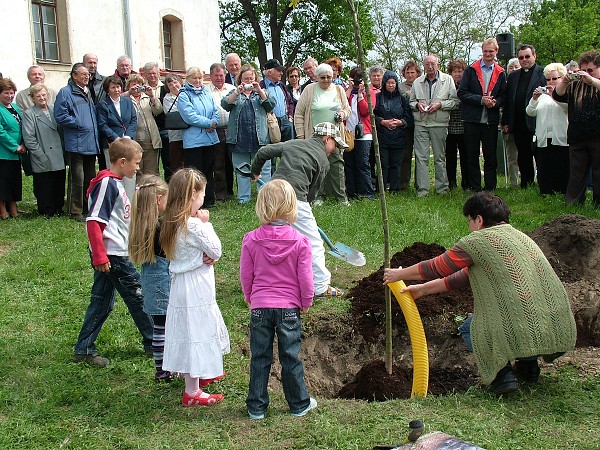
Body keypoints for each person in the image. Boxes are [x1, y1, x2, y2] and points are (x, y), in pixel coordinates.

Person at [383, 191, 577, 395]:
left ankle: (502, 376)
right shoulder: (520, 237)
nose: (469, 226)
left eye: (469, 220)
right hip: (553, 319)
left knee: (470, 328)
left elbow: (438, 267)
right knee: (523, 317)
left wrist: (400, 273)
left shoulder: (478, 241)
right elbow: (463, 276)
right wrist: (422, 290)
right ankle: (529, 367)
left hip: (521, 322)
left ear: (479, 219)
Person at [73, 138, 154, 368]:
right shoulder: (107, 184)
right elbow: (94, 222)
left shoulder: (115, 183)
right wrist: (100, 256)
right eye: (136, 163)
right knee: (138, 296)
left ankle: (84, 348)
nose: (138, 167)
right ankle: (155, 342)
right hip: (112, 255)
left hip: (113, 253)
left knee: (102, 302)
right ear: (122, 161)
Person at [241, 179, 317, 420]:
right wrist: (306, 301)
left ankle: (256, 407)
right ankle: (298, 404)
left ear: (262, 206)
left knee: (260, 357)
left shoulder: (251, 239)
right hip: (289, 309)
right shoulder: (300, 241)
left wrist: (249, 297)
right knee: (290, 357)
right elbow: (305, 277)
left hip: (260, 306)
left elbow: (246, 274)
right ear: (291, 206)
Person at [251, 122, 347, 298]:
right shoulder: (323, 161)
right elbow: (313, 192)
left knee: (274, 236)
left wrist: (255, 172)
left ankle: (268, 279)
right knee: (314, 243)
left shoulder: (292, 143)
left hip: (270, 196)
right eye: (335, 144)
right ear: (327, 139)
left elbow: (263, 152)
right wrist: (304, 208)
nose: (334, 150)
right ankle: (320, 287)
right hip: (295, 199)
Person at [160, 168, 229, 407]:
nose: (203, 200)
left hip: (180, 286)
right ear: (192, 196)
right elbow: (216, 249)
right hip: (197, 286)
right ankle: (193, 390)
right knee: (198, 331)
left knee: (189, 332)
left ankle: (196, 380)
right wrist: (206, 224)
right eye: (202, 195)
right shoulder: (195, 226)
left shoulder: (171, 222)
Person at [128, 174, 173, 383]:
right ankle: (163, 371)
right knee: (164, 328)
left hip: (150, 279)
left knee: (159, 326)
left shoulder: (143, 224)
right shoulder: (160, 227)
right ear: (158, 199)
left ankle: (161, 368)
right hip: (162, 281)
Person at [294, 63, 350, 205]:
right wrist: (301, 135)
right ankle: (318, 196)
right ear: (317, 77)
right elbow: (299, 113)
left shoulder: (339, 90)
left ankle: (341, 197)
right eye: (323, 77)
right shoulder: (309, 89)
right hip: (314, 136)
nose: (326, 80)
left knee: (337, 166)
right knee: (316, 166)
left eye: (329, 77)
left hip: (334, 136)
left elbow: (347, 109)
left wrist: (342, 114)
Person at [458, 38, 507, 191]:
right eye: (485, 51)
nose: (488, 54)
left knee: (490, 156)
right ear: (482, 51)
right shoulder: (471, 70)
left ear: (496, 52)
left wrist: (495, 103)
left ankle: (490, 187)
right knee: (472, 155)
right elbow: (462, 93)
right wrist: (481, 100)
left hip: (490, 120)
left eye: (491, 51)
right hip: (472, 119)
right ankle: (475, 187)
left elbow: (504, 95)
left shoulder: (500, 72)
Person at [553, 50, 600, 207]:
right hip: (577, 136)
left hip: (597, 135)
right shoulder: (575, 86)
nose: (586, 73)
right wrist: (566, 81)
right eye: (583, 70)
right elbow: (557, 95)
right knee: (576, 173)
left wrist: (592, 80)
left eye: (590, 70)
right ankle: (573, 203)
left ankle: (598, 203)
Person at [222, 64, 274, 204]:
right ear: (240, 80)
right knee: (241, 170)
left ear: (256, 79)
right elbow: (225, 104)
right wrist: (237, 92)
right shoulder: (235, 92)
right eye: (245, 79)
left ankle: (264, 199)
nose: (249, 81)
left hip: (260, 139)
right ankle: (243, 199)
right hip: (239, 139)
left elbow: (270, 106)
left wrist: (259, 91)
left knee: (264, 169)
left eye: (251, 78)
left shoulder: (262, 92)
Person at [54, 63, 100, 222]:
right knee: (77, 178)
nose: (87, 77)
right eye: (83, 74)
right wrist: (78, 123)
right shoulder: (65, 92)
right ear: (74, 76)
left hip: (90, 142)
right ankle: (75, 211)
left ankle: (88, 208)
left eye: (88, 74)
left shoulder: (87, 92)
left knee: (89, 178)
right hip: (76, 142)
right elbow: (60, 116)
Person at [410, 54, 458, 197]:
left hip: (439, 123)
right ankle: (422, 191)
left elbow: (455, 102)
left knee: (439, 157)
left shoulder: (447, 80)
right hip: (421, 123)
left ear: (438, 64)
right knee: (421, 157)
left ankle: (441, 189)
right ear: (423, 66)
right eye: (427, 64)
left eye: (433, 64)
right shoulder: (417, 82)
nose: (430, 67)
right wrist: (418, 105)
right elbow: (410, 103)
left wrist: (440, 105)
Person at [502, 44, 546, 189]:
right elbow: (508, 100)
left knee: (539, 155)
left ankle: (543, 183)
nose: (524, 60)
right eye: (521, 57)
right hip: (519, 123)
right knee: (523, 155)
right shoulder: (513, 76)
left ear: (534, 56)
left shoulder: (543, 73)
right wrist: (506, 121)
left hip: (537, 121)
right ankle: (526, 183)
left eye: (527, 56)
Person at [178, 67, 220, 209]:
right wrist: (208, 123)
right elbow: (190, 116)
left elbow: (215, 110)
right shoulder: (184, 95)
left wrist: (214, 122)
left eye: (200, 78)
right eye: (194, 78)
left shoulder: (207, 93)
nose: (197, 81)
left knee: (209, 170)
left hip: (209, 138)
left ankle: (209, 199)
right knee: (195, 173)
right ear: (187, 79)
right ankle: (195, 202)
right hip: (194, 141)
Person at [21, 83, 66, 217]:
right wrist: (40, 155)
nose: (42, 98)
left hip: (58, 153)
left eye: (44, 94)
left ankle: (58, 208)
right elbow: (29, 138)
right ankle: (47, 210)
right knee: (44, 184)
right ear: (33, 98)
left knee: (58, 182)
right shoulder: (30, 114)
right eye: (38, 96)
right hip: (42, 154)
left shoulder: (54, 109)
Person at [525, 63, 570, 195]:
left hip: (562, 137)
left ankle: (563, 191)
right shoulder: (542, 96)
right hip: (543, 138)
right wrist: (534, 99)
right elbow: (530, 112)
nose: (551, 81)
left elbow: (568, 108)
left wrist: (554, 96)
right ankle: (546, 191)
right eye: (548, 79)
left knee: (562, 166)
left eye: (555, 78)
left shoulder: (567, 93)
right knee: (545, 166)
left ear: (562, 78)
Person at [373, 70, 413, 192]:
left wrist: (400, 122)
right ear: (384, 83)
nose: (391, 85)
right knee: (383, 164)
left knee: (396, 164)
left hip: (399, 136)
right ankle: (381, 188)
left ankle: (395, 189)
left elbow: (408, 116)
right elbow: (373, 115)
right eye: (388, 83)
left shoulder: (402, 99)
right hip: (383, 136)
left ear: (396, 84)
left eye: (393, 83)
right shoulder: (378, 98)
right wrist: (383, 122)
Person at [344, 67, 376, 200]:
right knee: (349, 164)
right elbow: (342, 105)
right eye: (355, 79)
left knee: (362, 163)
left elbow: (365, 111)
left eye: (359, 79)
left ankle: (367, 194)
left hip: (364, 133)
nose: (357, 82)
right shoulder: (347, 92)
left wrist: (361, 93)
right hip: (348, 132)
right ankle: (352, 192)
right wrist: (350, 89)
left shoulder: (370, 92)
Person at [96, 75, 137, 170]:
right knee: (114, 171)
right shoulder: (103, 105)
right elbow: (103, 125)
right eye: (113, 87)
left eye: (118, 87)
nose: (116, 90)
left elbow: (133, 120)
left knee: (129, 170)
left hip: (128, 142)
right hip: (112, 143)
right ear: (108, 89)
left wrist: (127, 136)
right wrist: (116, 138)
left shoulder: (128, 101)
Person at [208, 63, 235, 201]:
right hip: (215, 130)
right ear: (211, 76)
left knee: (231, 161)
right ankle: (221, 194)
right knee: (218, 163)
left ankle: (230, 191)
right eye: (216, 75)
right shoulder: (206, 91)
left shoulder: (232, 89)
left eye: (221, 75)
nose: (219, 78)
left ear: (225, 75)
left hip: (231, 129)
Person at [126, 74, 163, 176]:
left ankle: (151, 191)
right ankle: (138, 191)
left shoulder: (147, 97)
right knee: (136, 171)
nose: (137, 88)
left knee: (151, 171)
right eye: (134, 85)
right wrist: (129, 93)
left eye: (139, 85)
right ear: (129, 86)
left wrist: (152, 96)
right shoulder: (125, 98)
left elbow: (158, 111)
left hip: (150, 139)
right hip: (134, 140)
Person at [0, 78, 25, 219]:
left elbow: (21, 127)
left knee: (14, 181)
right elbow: (1, 132)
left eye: (12, 93)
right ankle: (3, 211)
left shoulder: (15, 107)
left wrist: (23, 144)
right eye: (6, 93)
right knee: (3, 181)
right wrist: (14, 146)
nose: (10, 96)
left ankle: (13, 209)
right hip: (4, 152)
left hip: (17, 152)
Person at [143, 62, 171, 180]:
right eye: (149, 73)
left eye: (154, 73)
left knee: (168, 162)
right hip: (148, 131)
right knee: (151, 164)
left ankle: (169, 188)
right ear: (145, 74)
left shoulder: (165, 87)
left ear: (159, 73)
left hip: (165, 129)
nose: (152, 76)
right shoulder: (142, 88)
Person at [445, 59, 468, 190]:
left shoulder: (467, 85)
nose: (458, 74)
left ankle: (466, 182)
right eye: (455, 71)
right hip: (449, 127)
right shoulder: (447, 86)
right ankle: (451, 182)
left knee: (466, 156)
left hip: (464, 127)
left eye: (460, 71)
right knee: (450, 157)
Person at [398, 61, 421, 189]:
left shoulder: (422, 84)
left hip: (420, 122)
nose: (410, 75)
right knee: (405, 155)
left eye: (412, 72)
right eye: (407, 72)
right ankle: (403, 184)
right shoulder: (400, 87)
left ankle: (420, 183)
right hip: (406, 125)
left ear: (417, 73)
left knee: (420, 155)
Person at [260, 59, 295, 143]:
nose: (281, 73)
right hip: (270, 123)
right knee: (272, 152)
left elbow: (290, 102)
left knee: (288, 150)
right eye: (278, 70)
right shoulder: (261, 86)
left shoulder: (282, 85)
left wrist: (290, 116)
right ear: (270, 72)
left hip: (285, 121)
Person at [502, 58, 521, 187]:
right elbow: (505, 106)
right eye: (511, 67)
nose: (514, 70)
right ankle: (514, 183)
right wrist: (504, 123)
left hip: (525, 125)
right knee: (512, 156)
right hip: (509, 124)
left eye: (516, 67)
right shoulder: (505, 85)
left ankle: (529, 182)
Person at [162, 74, 185, 175]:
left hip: (188, 136)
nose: (174, 86)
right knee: (177, 166)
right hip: (175, 137)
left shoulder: (187, 94)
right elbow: (173, 113)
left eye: (175, 82)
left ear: (180, 83)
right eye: (170, 84)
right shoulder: (167, 98)